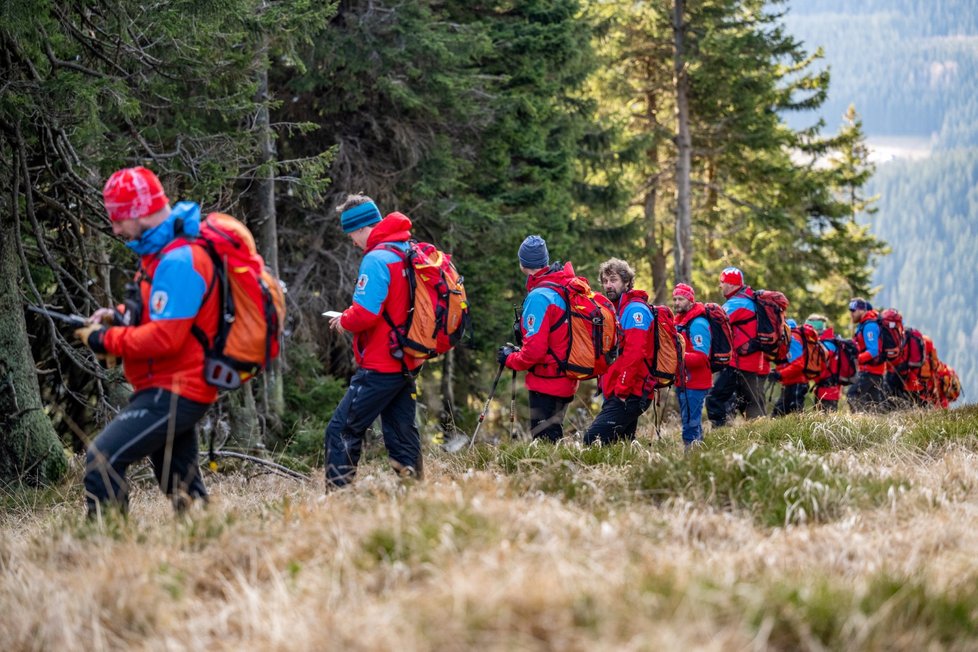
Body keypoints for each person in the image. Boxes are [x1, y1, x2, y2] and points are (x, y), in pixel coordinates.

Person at [74, 167, 220, 517]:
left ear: (140, 211)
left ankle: (107, 555)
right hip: (169, 385)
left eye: (119, 218)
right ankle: (213, 548)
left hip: (177, 389)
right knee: (181, 487)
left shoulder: (180, 259)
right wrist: (119, 314)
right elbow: (162, 312)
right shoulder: (162, 254)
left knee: (102, 461)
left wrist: (106, 337)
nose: (116, 229)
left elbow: (165, 337)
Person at [325, 194, 424, 487]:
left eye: (351, 235)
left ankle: (338, 501)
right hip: (406, 359)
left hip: (381, 364)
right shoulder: (406, 250)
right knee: (401, 432)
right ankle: (416, 495)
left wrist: (344, 319)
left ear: (360, 228)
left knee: (340, 430)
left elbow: (366, 313)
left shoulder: (377, 259)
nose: (352, 242)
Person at [498, 235, 579, 442]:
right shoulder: (559, 288)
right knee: (553, 437)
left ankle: (556, 475)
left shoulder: (539, 297)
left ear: (523, 263)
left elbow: (535, 351)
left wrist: (509, 359)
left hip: (548, 381)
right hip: (564, 376)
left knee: (545, 444)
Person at [583, 258, 653, 445]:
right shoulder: (615, 311)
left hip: (630, 393)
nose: (608, 285)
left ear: (627, 282)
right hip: (618, 391)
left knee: (592, 440)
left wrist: (621, 390)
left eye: (613, 280)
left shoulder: (635, 310)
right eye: (605, 281)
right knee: (622, 444)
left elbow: (634, 354)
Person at [706, 267, 769, 427]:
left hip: (738, 363)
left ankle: (720, 435)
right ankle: (763, 435)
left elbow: (716, 322)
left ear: (732, 284)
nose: (720, 286)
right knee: (749, 403)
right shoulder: (749, 300)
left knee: (715, 398)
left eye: (722, 282)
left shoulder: (737, 303)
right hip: (751, 362)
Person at [672, 283, 711, 449]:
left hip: (696, 382)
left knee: (691, 423)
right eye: (675, 299)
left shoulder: (698, 324)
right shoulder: (681, 322)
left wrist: (676, 358)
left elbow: (702, 357)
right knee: (689, 421)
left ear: (690, 300)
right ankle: (697, 453)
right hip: (683, 381)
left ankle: (692, 458)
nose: (677, 302)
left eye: (681, 299)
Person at [846, 297, 888, 412]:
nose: (851, 314)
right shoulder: (865, 324)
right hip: (874, 371)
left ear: (861, 310)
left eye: (853, 310)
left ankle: (859, 422)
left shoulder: (869, 326)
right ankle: (873, 425)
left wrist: (857, 359)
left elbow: (873, 350)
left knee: (852, 394)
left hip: (869, 371)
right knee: (873, 403)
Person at [769, 319, 809, 416]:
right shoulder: (790, 339)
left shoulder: (794, 339)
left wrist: (780, 374)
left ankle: (804, 430)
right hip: (790, 383)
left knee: (796, 412)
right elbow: (787, 362)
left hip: (797, 383)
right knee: (778, 413)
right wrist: (776, 372)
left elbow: (798, 365)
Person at [806, 313, 841, 411]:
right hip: (826, 391)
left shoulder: (826, 346)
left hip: (827, 392)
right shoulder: (830, 342)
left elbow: (819, 367)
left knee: (827, 424)